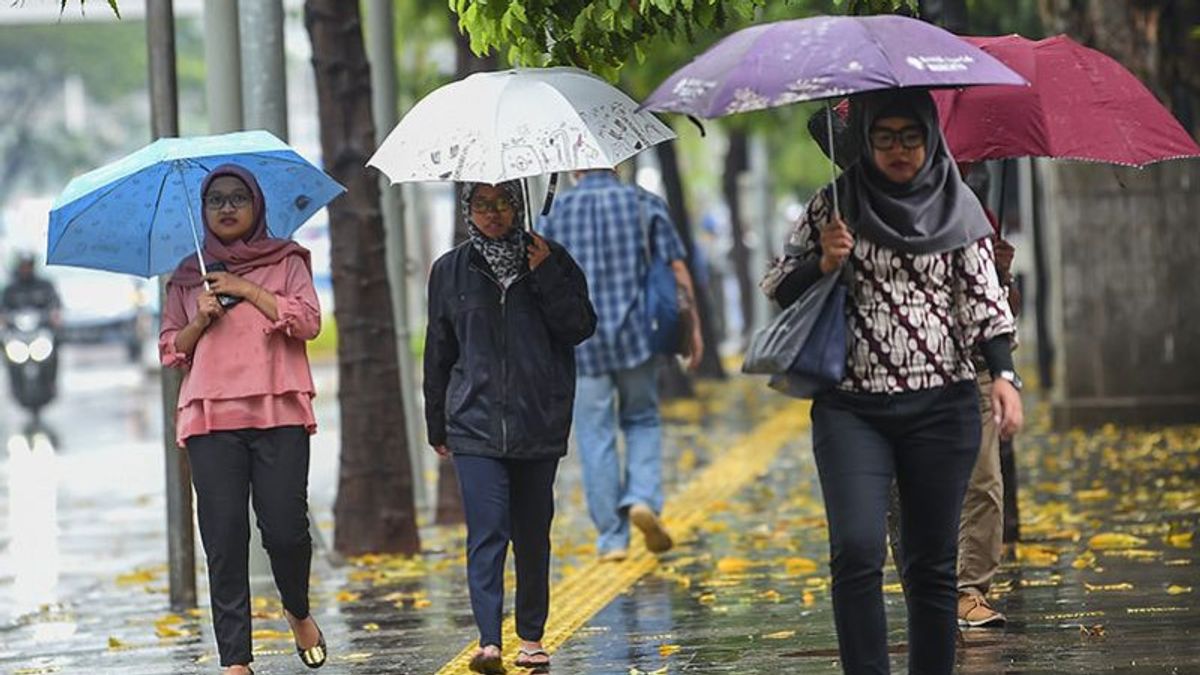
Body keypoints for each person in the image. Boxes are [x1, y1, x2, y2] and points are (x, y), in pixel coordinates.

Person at [761, 90, 1024, 675]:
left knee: (931, 565)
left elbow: (985, 303)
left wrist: (1004, 375)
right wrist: (823, 262)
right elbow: (779, 287)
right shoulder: (834, 204)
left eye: (910, 136)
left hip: (942, 405)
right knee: (855, 551)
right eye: (885, 137)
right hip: (851, 408)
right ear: (867, 140)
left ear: (929, 137)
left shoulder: (960, 206)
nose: (899, 149)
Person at [158, 165, 326, 675]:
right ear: (204, 212)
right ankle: (235, 660)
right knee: (224, 539)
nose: (227, 208)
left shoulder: (288, 261)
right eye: (216, 201)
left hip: (279, 411)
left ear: (256, 205)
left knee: (286, 531)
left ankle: (296, 608)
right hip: (212, 418)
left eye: (237, 198)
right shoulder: (188, 274)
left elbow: (310, 322)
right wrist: (200, 319)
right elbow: (170, 349)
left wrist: (245, 289)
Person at [424, 180, 596, 674]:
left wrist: (545, 276)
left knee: (532, 532)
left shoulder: (552, 259)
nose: (494, 214)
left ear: (518, 206)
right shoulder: (450, 270)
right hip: (473, 422)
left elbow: (579, 327)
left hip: (538, 418)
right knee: (487, 529)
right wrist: (437, 422)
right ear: (468, 210)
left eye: (503, 203)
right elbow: (439, 351)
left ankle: (532, 637)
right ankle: (488, 642)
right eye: (482, 205)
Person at [539, 169, 703, 562]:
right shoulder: (644, 203)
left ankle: (612, 539)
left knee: (595, 436)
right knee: (642, 418)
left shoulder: (552, 214)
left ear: (576, 167)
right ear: (615, 160)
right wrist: (693, 328)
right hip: (638, 337)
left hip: (582, 342)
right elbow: (677, 269)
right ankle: (642, 497)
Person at [955, 162, 1022, 629]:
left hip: (977, 369)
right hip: (914, 375)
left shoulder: (978, 214)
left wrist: (1002, 273)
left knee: (985, 482)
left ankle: (970, 590)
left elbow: (1002, 310)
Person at [2, 253, 62, 322]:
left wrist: (54, 312)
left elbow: (54, 301)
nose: (26, 269)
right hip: (15, 326)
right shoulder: (11, 289)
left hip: (42, 324)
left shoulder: (45, 285)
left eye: (28, 266)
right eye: (23, 266)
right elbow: (4, 306)